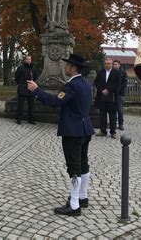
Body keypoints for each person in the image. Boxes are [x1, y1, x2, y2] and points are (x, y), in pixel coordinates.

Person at [27, 53, 94, 216]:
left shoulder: (71, 86)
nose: (65, 66)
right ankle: (83, 197)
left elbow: (55, 102)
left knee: (74, 168)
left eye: (68, 64)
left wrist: (37, 90)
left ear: (73, 67)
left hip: (73, 131)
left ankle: (74, 205)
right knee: (83, 164)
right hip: (85, 129)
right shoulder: (86, 84)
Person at [94, 58, 120, 138]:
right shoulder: (100, 72)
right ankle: (103, 131)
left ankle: (113, 132)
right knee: (102, 115)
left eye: (109, 63)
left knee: (112, 116)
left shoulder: (116, 73)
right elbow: (96, 82)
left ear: (112, 64)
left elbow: (117, 84)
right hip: (102, 97)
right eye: (105, 63)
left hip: (112, 97)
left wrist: (108, 90)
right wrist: (102, 90)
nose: (107, 65)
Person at [15, 55, 39, 125]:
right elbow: (17, 77)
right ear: (24, 60)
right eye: (27, 59)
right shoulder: (20, 68)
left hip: (31, 89)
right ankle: (18, 119)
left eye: (30, 59)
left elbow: (36, 78)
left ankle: (31, 119)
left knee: (31, 105)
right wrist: (20, 84)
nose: (29, 60)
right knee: (20, 105)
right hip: (22, 88)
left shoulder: (34, 69)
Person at [112, 60, 127, 131]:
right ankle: (113, 124)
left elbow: (124, 83)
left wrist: (118, 89)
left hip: (120, 94)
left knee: (120, 110)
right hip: (112, 94)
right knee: (113, 109)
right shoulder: (111, 73)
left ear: (119, 65)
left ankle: (121, 124)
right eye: (113, 64)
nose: (114, 65)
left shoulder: (123, 73)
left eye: (116, 64)